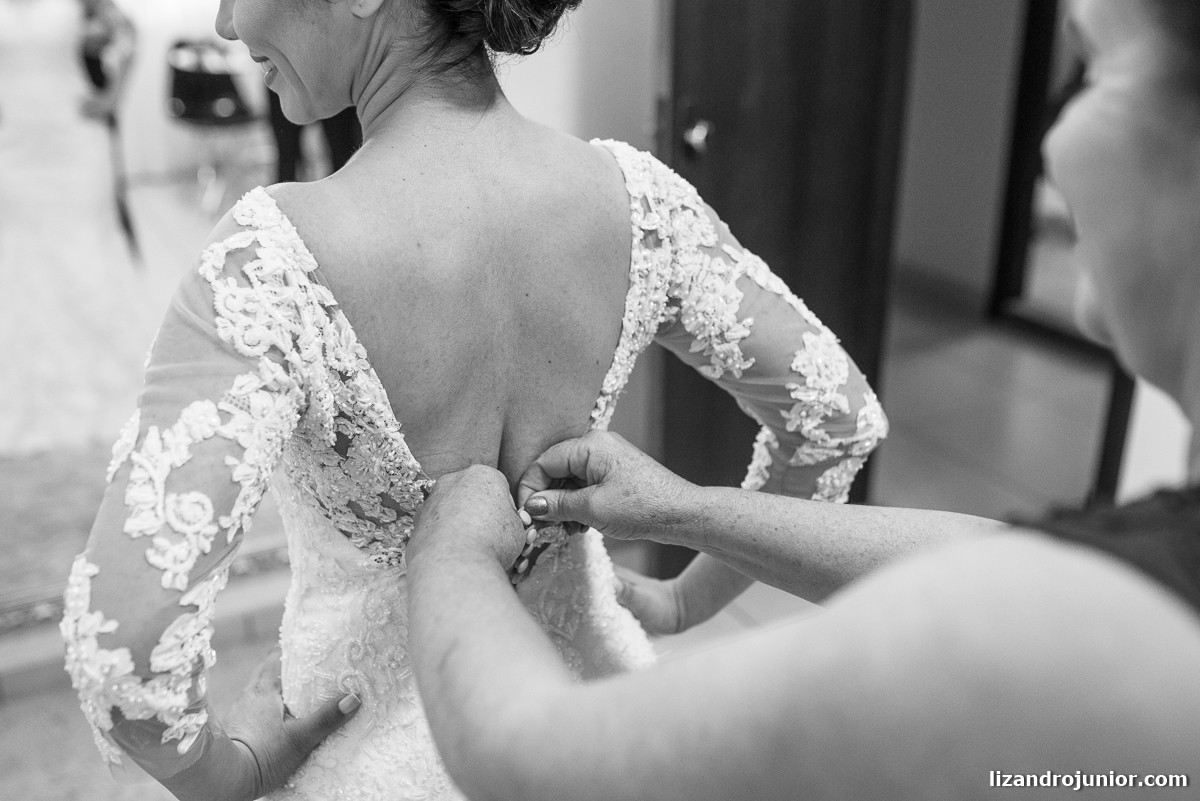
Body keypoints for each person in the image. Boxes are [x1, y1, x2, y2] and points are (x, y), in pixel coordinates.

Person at [58, 1, 887, 800]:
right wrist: (683, 600)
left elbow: (125, 646)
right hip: (591, 732)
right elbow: (834, 417)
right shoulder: (637, 199)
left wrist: (227, 775)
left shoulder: (269, 263)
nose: (225, 23)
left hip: (362, 754)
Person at [398, 0, 1200, 797]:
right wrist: (689, 519)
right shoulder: (1128, 582)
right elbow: (995, 553)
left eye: (1091, 65)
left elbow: (539, 760)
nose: (1051, 147)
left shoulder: (1085, 646)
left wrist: (453, 552)